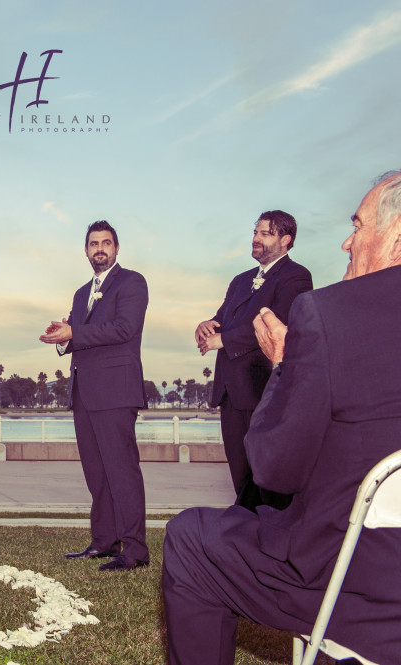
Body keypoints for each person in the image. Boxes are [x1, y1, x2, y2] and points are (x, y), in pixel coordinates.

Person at [163, 170, 401, 665]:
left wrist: (286, 367)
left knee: (190, 537)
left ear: (395, 235)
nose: (346, 241)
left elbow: (276, 468)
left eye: (357, 226)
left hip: (354, 583)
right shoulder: (243, 283)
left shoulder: (326, 311)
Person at [39, 220, 150, 571]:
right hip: (84, 393)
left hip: (116, 392)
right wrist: (64, 337)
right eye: (93, 244)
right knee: (96, 473)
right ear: (86, 251)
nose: (99, 249)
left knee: (122, 471)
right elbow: (80, 337)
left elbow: (123, 328)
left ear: (116, 249)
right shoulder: (80, 292)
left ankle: (135, 550)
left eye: (106, 243)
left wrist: (77, 331)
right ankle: (104, 541)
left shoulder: (132, 282)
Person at [195, 211, 312, 510]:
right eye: (256, 232)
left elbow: (279, 325)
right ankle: (245, 539)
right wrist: (207, 325)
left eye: (265, 234)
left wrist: (224, 340)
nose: (256, 239)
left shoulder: (296, 277)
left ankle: (273, 540)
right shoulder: (240, 280)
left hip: (263, 391)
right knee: (241, 476)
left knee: (268, 477)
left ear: (285, 240)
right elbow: (222, 319)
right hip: (229, 392)